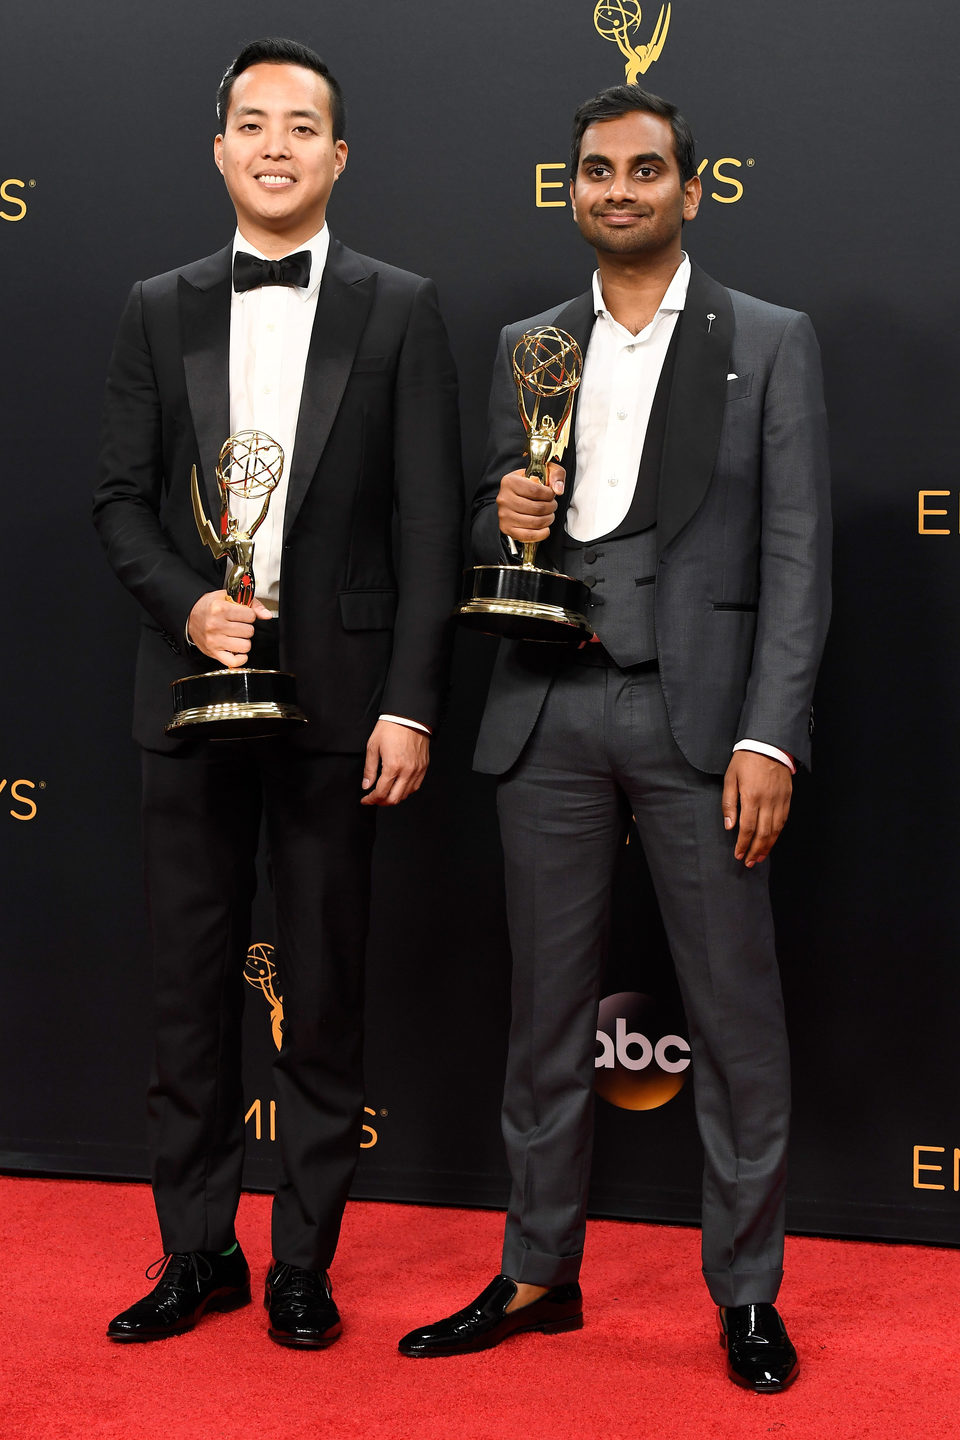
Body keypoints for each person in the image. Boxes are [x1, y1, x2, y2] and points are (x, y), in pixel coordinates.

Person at [398, 84, 830, 1391]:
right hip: (548, 710)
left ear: (691, 189)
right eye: (598, 170)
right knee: (543, 1013)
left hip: (702, 723)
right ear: (573, 189)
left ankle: (747, 1295)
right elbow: (491, 539)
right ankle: (537, 1273)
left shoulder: (770, 339)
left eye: (647, 170)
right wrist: (506, 515)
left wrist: (774, 737)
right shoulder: (531, 344)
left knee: (736, 1018)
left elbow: (800, 561)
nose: (621, 189)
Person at [94, 37, 462, 1348]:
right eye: (252, 122)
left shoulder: (403, 306)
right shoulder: (156, 304)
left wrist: (412, 704)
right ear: (219, 147)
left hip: (341, 705)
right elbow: (119, 502)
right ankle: (197, 1251)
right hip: (186, 701)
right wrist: (188, 603)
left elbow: (433, 527)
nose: (275, 144)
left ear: (338, 155)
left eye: (301, 126)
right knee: (187, 991)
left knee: (323, 983)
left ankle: (304, 1259)